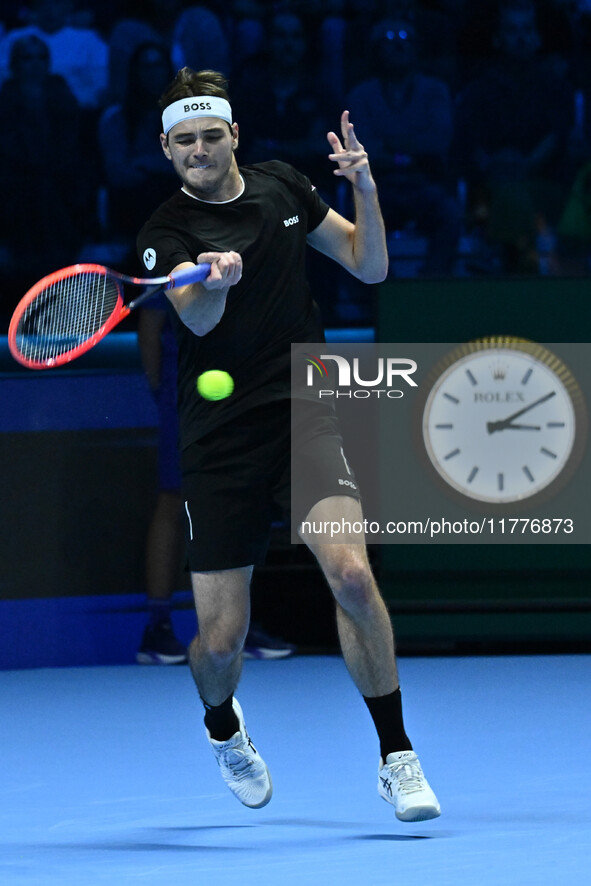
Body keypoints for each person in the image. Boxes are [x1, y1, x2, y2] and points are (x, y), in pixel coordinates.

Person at [136, 67, 440, 822]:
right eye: (184, 142)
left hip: (306, 414)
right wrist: (215, 282)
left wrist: (363, 188)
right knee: (219, 640)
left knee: (351, 577)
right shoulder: (164, 233)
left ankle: (396, 755)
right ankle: (221, 727)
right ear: (166, 147)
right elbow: (196, 320)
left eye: (211, 136)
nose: (199, 151)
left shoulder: (283, 188)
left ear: (234, 135)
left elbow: (369, 264)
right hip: (221, 440)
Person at [136, 296, 297, 664]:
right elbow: (149, 328)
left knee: (240, 499)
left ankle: (237, 623)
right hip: (186, 392)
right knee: (174, 498)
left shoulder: (252, 243)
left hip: (245, 390)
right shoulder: (170, 240)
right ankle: (158, 627)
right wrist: (164, 390)